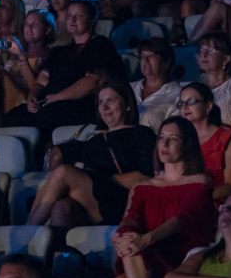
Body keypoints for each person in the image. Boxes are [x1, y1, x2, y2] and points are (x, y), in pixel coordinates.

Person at [112, 116, 216, 278]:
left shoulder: (200, 181)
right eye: (161, 137)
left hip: (183, 254)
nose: (164, 144)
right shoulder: (143, 187)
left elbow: (183, 219)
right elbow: (131, 218)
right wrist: (118, 236)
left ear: (187, 144)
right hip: (148, 250)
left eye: (173, 138)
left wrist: (146, 239)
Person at [27, 83, 155, 229]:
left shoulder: (142, 133)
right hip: (96, 204)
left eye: (111, 101)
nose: (104, 107)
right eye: (101, 102)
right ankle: (60, 251)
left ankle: (28, 235)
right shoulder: (94, 141)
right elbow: (59, 153)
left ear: (127, 105)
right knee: (62, 207)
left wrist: (100, 179)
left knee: (64, 172)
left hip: (126, 202)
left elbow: (147, 177)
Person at [1, 0, 125, 135]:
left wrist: (57, 97)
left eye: (79, 16)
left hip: (77, 105)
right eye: (69, 15)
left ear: (92, 20)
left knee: (46, 118)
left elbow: (92, 81)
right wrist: (32, 96)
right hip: (50, 104)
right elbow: (42, 79)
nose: (72, 19)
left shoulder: (100, 45)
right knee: (12, 117)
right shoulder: (60, 51)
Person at [178, 83, 231, 204]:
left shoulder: (225, 138)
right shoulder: (180, 139)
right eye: (181, 103)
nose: (184, 107)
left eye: (191, 101)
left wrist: (196, 197)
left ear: (208, 106)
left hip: (214, 203)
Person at [131, 38, 182, 131]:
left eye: (151, 55)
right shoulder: (129, 88)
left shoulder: (178, 94)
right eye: (142, 56)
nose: (145, 60)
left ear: (167, 62)